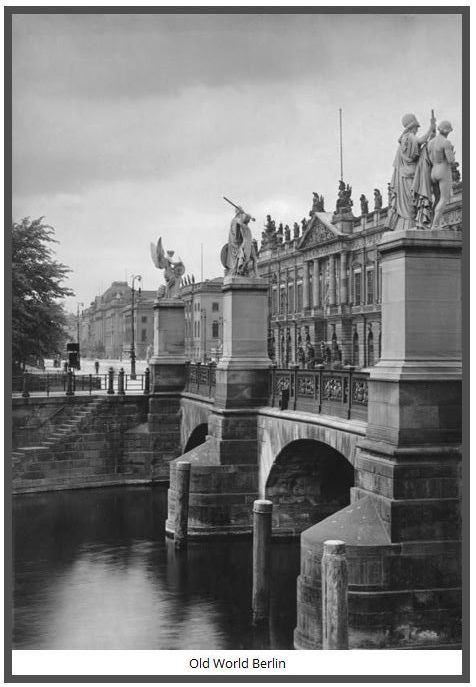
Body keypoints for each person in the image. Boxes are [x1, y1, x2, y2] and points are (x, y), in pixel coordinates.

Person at [386, 112, 436, 231]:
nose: (417, 130)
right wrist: (431, 127)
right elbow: (422, 140)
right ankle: (412, 224)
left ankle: (407, 224)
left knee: (409, 202)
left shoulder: (403, 140)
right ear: (412, 126)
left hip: (403, 176)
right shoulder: (410, 137)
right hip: (412, 175)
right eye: (416, 127)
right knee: (411, 202)